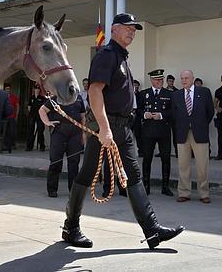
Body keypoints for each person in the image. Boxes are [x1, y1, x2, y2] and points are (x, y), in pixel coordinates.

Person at [61, 13, 183, 250]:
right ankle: (71, 227)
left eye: (135, 29)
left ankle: (152, 230)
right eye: (128, 28)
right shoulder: (107, 55)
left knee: (133, 176)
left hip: (123, 128)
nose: (132, 32)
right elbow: (95, 92)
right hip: (105, 127)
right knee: (87, 175)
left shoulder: (122, 58)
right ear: (114, 29)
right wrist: (104, 129)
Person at [172, 70, 214, 204]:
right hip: (182, 134)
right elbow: (174, 114)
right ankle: (184, 192)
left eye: (186, 78)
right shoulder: (176, 95)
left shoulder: (204, 92)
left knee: (202, 166)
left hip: (199, 133)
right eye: (182, 78)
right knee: (183, 165)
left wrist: (199, 124)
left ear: (192, 78)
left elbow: (210, 112)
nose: (184, 80)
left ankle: (204, 193)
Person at [39, 94, 85, 197]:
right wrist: (47, 122)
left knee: (74, 162)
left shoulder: (78, 97)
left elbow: (82, 115)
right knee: (56, 161)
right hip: (60, 131)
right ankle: (52, 189)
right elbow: (42, 110)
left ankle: (73, 190)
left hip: (75, 132)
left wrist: (83, 133)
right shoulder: (56, 97)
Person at [138, 69, 174, 196]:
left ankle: (165, 186)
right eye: (157, 80)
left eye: (161, 79)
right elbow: (138, 111)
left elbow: (173, 111)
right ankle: (146, 186)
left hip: (163, 131)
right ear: (152, 80)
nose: (160, 82)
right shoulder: (144, 94)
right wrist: (144, 114)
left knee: (166, 159)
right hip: (148, 131)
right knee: (147, 158)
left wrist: (161, 115)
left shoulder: (169, 94)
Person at [26, 85, 46, 151]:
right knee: (30, 131)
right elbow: (29, 107)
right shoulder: (31, 98)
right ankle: (29, 146)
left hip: (40, 116)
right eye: (35, 89)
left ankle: (42, 146)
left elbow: (44, 108)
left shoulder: (42, 98)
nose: (37, 90)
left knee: (40, 131)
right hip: (32, 115)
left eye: (38, 89)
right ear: (34, 90)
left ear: (39, 90)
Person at [1, 84, 19, 153]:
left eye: (9, 89)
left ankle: (11, 144)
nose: (8, 90)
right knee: (5, 132)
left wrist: (16, 115)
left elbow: (17, 106)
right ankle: (5, 145)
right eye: (6, 89)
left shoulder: (14, 97)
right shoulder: (2, 97)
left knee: (12, 132)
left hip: (12, 117)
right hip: (4, 118)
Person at [166, 74, 179, 157]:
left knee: (176, 135)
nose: (171, 82)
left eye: (172, 81)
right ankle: (165, 152)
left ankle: (177, 152)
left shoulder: (177, 91)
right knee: (165, 136)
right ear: (167, 81)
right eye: (170, 81)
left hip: (174, 116)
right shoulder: (163, 90)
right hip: (166, 116)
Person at [132, 79, 143, 157]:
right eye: (134, 85)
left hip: (137, 117)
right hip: (129, 117)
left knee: (138, 134)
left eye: (137, 85)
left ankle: (141, 151)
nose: (135, 87)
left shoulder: (140, 95)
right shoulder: (128, 94)